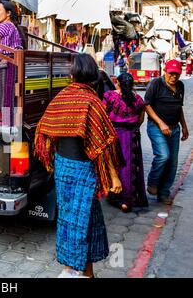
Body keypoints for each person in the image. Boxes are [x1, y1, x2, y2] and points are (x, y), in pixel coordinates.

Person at [34, 53, 123, 278]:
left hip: (63, 168)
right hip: (83, 171)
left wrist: (50, 156)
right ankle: (71, 271)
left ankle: (86, 273)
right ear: (92, 74)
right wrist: (114, 177)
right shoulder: (91, 101)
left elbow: (43, 128)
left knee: (78, 220)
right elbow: (103, 143)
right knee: (79, 224)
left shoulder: (62, 96)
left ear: (73, 74)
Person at [145, 59, 189, 205]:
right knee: (164, 155)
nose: (174, 77)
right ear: (165, 71)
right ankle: (153, 182)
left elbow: (179, 107)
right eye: (171, 74)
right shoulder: (156, 84)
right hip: (156, 127)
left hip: (174, 128)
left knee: (173, 162)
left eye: (176, 74)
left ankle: (163, 193)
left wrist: (184, 126)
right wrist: (161, 123)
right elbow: (147, 106)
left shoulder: (180, 86)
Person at [103, 72, 148, 212]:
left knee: (115, 165)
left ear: (118, 83)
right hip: (132, 135)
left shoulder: (110, 96)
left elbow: (103, 116)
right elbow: (141, 120)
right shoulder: (138, 99)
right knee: (130, 165)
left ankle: (119, 197)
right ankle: (129, 198)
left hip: (115, 134)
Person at [0, 0, 24, 126]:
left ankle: (8, 129)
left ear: (8, 13)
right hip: (8, 64)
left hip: (7, 63)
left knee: (5, 100)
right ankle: (9, 127)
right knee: (6, 98)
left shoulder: (5, 25)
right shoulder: (11, 26)